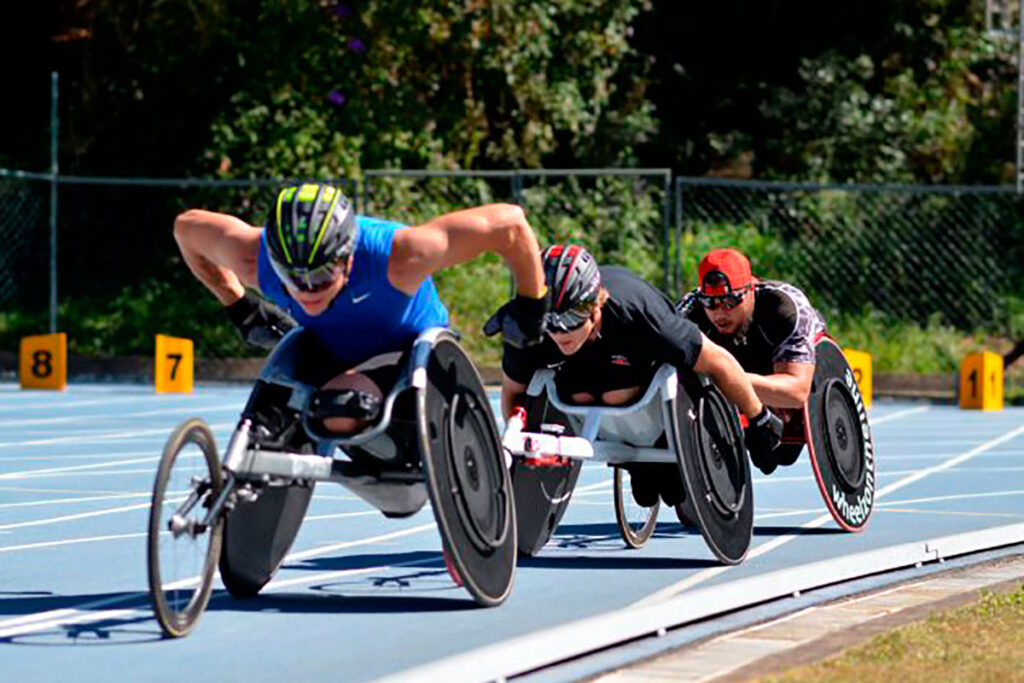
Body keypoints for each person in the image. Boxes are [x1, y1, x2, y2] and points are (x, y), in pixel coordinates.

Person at [174, 182, 548, 434]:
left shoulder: (399, 255)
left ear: (348, 259)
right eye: (293, 278)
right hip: (329, 348)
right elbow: (185, 228)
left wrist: (532, 303)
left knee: (341, 408)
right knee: (269, 418)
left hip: (411, 353)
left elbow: (509, 224)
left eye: (321, 275)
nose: (307, 291)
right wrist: (238, 305)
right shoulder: (252, 259)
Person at [488, 244, 783, 508]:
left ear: (594, 306)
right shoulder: (529, 331)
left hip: (638, 366)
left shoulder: (640, 316)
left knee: (618, 393)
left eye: (571, 319)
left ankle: (657, 444)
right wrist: (519, 454)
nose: (559, 331)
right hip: (582, 376)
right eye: (549, 320)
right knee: (579, 396)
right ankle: (637, 464)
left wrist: (759, 419)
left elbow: (718, 361)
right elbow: (514, 394)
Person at [677, 248, 827, 474]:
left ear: (750, 289)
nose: (719, 313)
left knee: (780, 455)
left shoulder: (783, 306)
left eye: (730, 301)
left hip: (785, 368)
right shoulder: (691, 309)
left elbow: (797, 392)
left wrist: (728, 379)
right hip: (739, 371)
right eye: (711, 303)